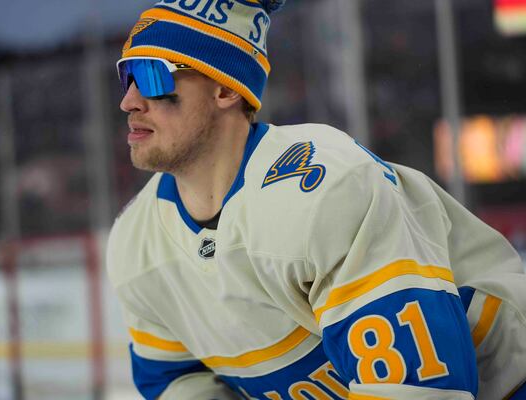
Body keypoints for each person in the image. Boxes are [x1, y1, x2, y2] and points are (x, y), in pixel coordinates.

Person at [106, 1, 526, 399]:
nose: (129, 101)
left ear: (225, 91)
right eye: (127, 77)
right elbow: (176, 379)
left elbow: (422, 389)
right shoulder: (135, 244)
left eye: (153, 76)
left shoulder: (325, 189)